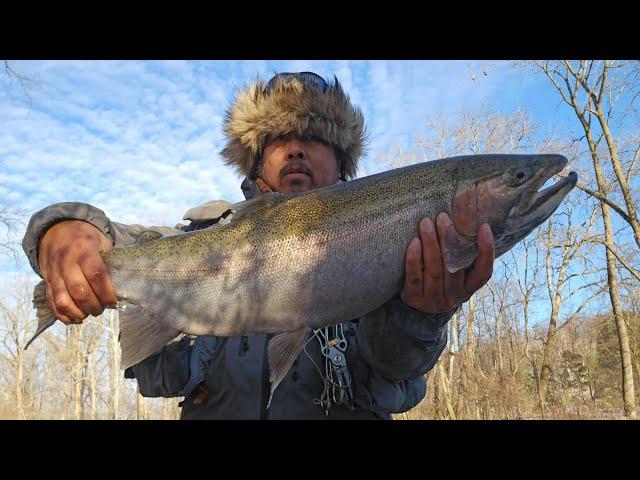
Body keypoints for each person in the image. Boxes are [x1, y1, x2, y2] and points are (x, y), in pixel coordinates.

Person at [22, 71, 495, 419]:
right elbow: (115, 241)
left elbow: (393, 376)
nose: (295, 149)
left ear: (343, 162)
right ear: (255, 160)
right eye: (279, 139)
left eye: (314, 138)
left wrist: (419, 317)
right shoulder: (206, 239)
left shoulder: (392, 238)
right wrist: (62, 230)